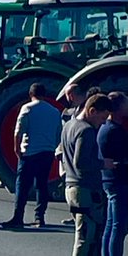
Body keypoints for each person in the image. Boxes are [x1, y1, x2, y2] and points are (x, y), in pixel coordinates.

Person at [2, 83, 63, 229]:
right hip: (47, 152)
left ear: (30, 94)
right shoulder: (54, 111)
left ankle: (18, 217)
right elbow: (58, 134)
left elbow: (19, 131)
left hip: (29, 152)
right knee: (42, 185)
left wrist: (17, 149)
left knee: (22, 186)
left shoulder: (27, 108)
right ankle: (39, 217)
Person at [61, 94, 114, 256]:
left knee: (85, 233)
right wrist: (103, 164)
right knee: (86, 236)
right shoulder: (86, 131)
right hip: (84, 189)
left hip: (71, 185)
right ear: (92, 111)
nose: (103, 122)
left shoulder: (69, 125)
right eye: (102, 117)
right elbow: (81, 162)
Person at [102, 92, 128, 255]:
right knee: (119, 225)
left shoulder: (107, 127)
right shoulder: (115, 131)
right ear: (119, 108)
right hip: (119, 180)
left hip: (111, 180)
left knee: (111, 224)